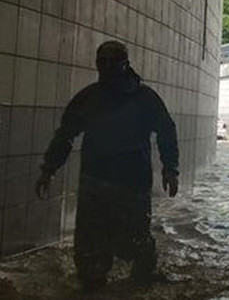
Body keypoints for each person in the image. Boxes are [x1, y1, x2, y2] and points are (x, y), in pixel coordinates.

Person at [35, 41, 180, 291]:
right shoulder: (88, 98)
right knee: (89, 251)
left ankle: (142, 278)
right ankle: (93, 285)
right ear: (97, 65)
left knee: (135, 243)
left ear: (126, 63)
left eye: (113, 61)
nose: (108, 67)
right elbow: (65, 135)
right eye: (102, 62)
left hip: (132, 184)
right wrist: (48, 169)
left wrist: (171, 168)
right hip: (95, 183)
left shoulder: (144, 98)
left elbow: (166, 131)